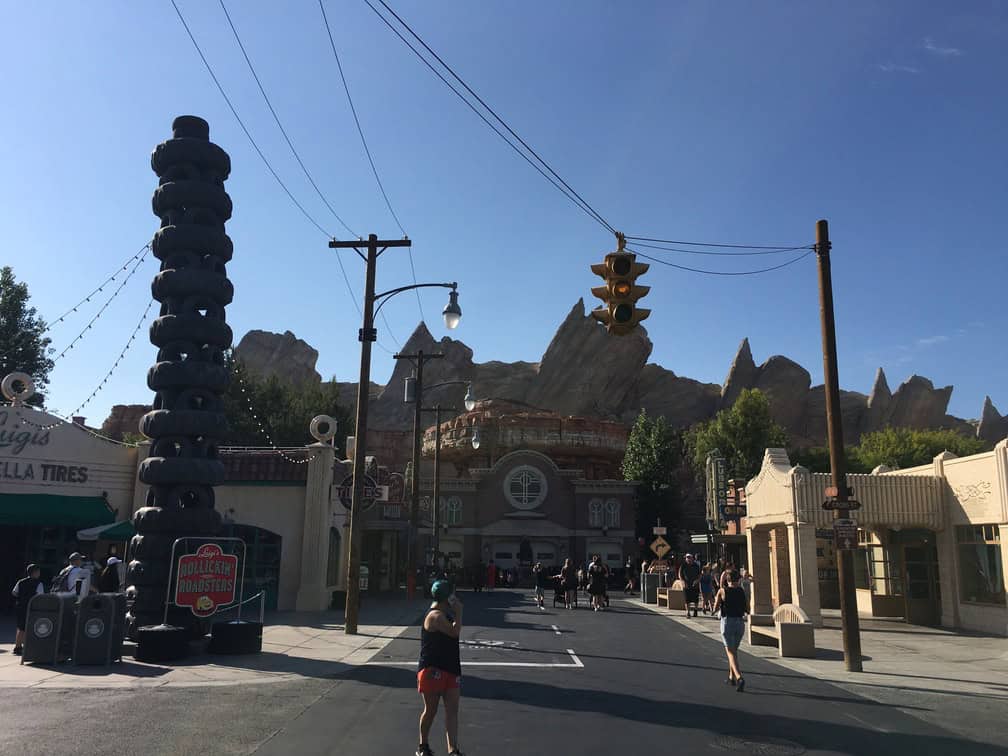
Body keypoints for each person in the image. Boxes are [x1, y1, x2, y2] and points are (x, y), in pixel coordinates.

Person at [417, 580, 465, 756]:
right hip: (432, 669)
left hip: (451, 667)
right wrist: (459, 612)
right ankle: (423, 746)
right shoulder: (435, 616)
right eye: (452, 595)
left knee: (452, 710)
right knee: (431, 710)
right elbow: (454, 632)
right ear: (448, 597)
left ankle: (452, 750)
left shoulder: (445, 614)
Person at [712, 570, 749, 692]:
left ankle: (739, 678)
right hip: (740, 623)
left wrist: (714, 609)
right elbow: (747, 608)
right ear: (738, 580)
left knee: (730, 651)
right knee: (734, 650)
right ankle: (731, 676)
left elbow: (716, 607)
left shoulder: (722, 591)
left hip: (728, 622)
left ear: (727, 581)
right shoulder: (741, 591)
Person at [11, 564, 44, 655]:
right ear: (36, 572)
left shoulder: (20, 582)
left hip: (21, 607)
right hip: (32, 608)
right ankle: (25, 647)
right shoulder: (39, 584)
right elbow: (39, 597)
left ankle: (18, 646)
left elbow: (14, 593)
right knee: (30, 627)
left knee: (21, 627)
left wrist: (22, 598)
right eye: (38, 572)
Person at [679, 553, 701, 618]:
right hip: (686, 585)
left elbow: (700, 575)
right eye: (687, 558)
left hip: (695, 585)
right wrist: (682, 581)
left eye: (689, 558)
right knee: (687, 599)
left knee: (695, 599)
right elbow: (680, 574)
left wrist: (697, 580)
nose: (688, 559)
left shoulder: (696, 565)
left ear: (692, 558)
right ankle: (688, 612)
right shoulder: (683, 565)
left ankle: (695, 611)